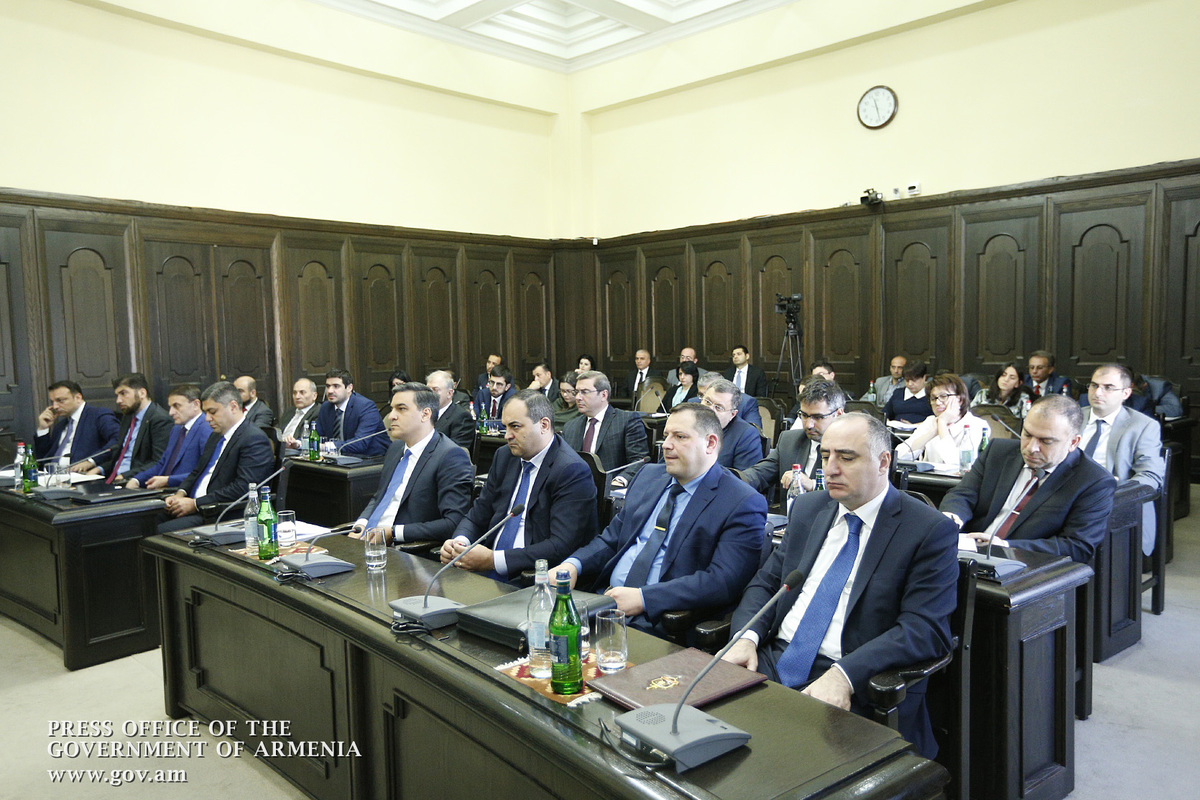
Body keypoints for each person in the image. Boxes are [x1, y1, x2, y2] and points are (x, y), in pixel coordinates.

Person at [722, 413, 959, 759]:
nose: (830, 469)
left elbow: (925, 630)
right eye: (825, 455)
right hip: (770, 661)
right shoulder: (809, 508)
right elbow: (768, 583)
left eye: (846, 457)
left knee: (782, 765)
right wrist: (746, 637)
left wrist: (846, 675)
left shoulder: (927, 529)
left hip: (857, 679)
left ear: (883, 462)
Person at [553, 404, 766, 635]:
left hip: (660, 620)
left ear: (710, 443)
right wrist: (573, 565)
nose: (666, 444)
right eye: (666, 435)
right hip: (603, 601)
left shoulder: (741, 501)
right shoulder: (648, 476)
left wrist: (644, 598)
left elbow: (722, 581)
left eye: (680, 436)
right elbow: (611, 539)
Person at [939, 395, 1117, 564]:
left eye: (1045, 441)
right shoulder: (998, 451)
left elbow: (1077, 546)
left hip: (1027, 567)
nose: (1031, 448)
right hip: (967, 553)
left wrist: (1006, 546)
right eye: (1027, 434)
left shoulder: (1094, 481)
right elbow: (963, 493)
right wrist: (952, 518)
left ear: (1073, 442)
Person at [440, 391, 597, 580]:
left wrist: (493, 560)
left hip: (530, 576)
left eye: (515, 427)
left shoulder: (571, 470)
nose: (507, 435)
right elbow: (477, 515)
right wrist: (459, 543)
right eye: (505, 427)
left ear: (544, 425)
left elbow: (560, 546)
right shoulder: (504, 456)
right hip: (484, 569)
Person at [350, 383, 475, 545]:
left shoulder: (450, 456)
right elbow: (380, 497)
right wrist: (361, 524)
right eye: (392, 409)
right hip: (367, 541)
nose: (391, 416)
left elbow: (453, 522)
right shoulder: (396, 448)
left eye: (401, 409)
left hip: (404, 548)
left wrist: (394, 533)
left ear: (425, 414)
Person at [159, 381, 274, 533]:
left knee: (157, 531)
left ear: (233, 407)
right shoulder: (216, 435)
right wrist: (180, 494)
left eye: (212, 412)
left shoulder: (253, 439)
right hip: (195, 505)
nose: (207, 418)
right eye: (206, 412)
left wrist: (195, 504)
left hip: (219, 514)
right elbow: (197, 471)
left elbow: (243, 487)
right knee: (142, 521)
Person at [1080, 364, 1166, 556]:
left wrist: (1117, 488)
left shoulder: (1143, 426)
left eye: (1108, 387)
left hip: (1113, 503)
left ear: (1126, 393)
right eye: (1094, 385)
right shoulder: (1072, 417)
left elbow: (1151, 476)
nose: (1098, 392)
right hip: (1068, 499)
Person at [742, 379, 845, 497]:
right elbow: (759, 474)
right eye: (804, 415)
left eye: (818, 417)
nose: (809, 425)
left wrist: (813, 484)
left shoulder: (853, 447)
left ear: (838, 414)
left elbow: (855, 487)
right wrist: (731, 479)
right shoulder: (790, 440)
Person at [561, 370, 649, 486]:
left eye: (584, 392)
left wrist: (621, 480)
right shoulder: (571, 426)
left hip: (611, 488)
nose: (578, 397)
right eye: (576, 392)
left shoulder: (626, 421)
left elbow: (639, 460)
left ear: (603, 395)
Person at [126, 384, 212, 490]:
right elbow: (163, 463)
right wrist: (137, 480)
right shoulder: (176, 429)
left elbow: (206, 473)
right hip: (163, 489)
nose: (171, 412)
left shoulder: (206, 428)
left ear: (195, 404)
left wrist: (168, 480)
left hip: (185, 491)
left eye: (177, 406)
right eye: (170, 407)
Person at [96, 373, 174, 484]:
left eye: (123, 393)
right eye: (117, 395)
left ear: (142, 393)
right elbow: (121, 455)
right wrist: (99, 469)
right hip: (114, 479)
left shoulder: (159, 419)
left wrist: (125, 476)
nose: (118, 400)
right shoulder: (128, 416)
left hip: (135, 482)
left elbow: (159, 462)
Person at [33, 380, 120, 470]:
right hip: (53, 475)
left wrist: (91, 461)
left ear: (78, 398)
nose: (55, 407)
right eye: (53, 402)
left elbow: (118, 440)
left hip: (84, 474)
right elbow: (44, 459)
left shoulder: (98, 415)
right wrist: (43, 428)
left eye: (60, 401)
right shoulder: (60, 425)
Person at [903, 374, 987, 465]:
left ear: (960, 399)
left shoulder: (978, 425)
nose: (937, 402)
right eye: (933, 398)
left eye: (943, 396)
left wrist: (942, 424)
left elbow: (959, 464)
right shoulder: (930, 422)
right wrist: (932, 432)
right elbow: (900, 456)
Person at [315, 368, 388, 457]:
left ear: (349, 388)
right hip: (339, 459)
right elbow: (316, 435)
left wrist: (326, 446)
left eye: (336, 386)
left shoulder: (366, 407)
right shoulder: (326, 407)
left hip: (371, 459)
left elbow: (360, 443)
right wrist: (302, 443)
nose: (330, 391)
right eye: (328, 386)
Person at [702, 379, 762, 471]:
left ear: (732, 414)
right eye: (707, 402)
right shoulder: (689, 421)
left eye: (718, 407)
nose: (709, 409)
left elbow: (743, 476)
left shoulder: (745, 435)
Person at [426, 370, 475, 450]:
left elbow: (455, 451)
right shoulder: (423, 413)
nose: (430, 394)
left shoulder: (462, 417)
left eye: (435, 390)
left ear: (449, 393)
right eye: (428, 390)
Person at [280, 378, 321, 447]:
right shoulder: (289, 411)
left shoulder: (318, 412)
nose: (297, 396)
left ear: (314, 396)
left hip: (297, 450)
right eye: (295, 393)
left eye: (302, 392)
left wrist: (295, 442)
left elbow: (312, 438)